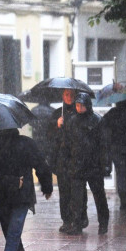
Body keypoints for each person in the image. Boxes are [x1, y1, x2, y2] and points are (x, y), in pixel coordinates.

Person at [64, 92, 110, 235]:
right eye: (77, 105)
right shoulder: (72, 121)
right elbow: (67, 143)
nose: (79, 108)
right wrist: (66, 160)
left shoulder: (97, 121)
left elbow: (104, 145)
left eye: (82, 105)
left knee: (99, 195)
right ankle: (77, 223)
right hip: (77, 163)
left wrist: (105, 164)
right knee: (76, 197)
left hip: (93, 165)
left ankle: (103, 223)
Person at [48, 89, 88, 233]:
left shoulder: (80, 112)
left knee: (78, 190)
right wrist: (57, 125)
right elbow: (50, 136)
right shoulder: (57, 113)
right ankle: (67, 220)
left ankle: (80, 218)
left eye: (72, 95)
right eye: (66, 95)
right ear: (62, 96)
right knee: (64, 191)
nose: (69, 97)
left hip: (76, 158)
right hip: (62, 159)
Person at [101, 97, 126, 209]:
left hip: (117, 147)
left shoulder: (113, 113)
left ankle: (123, 198)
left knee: (121, 172)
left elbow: (103, 124)